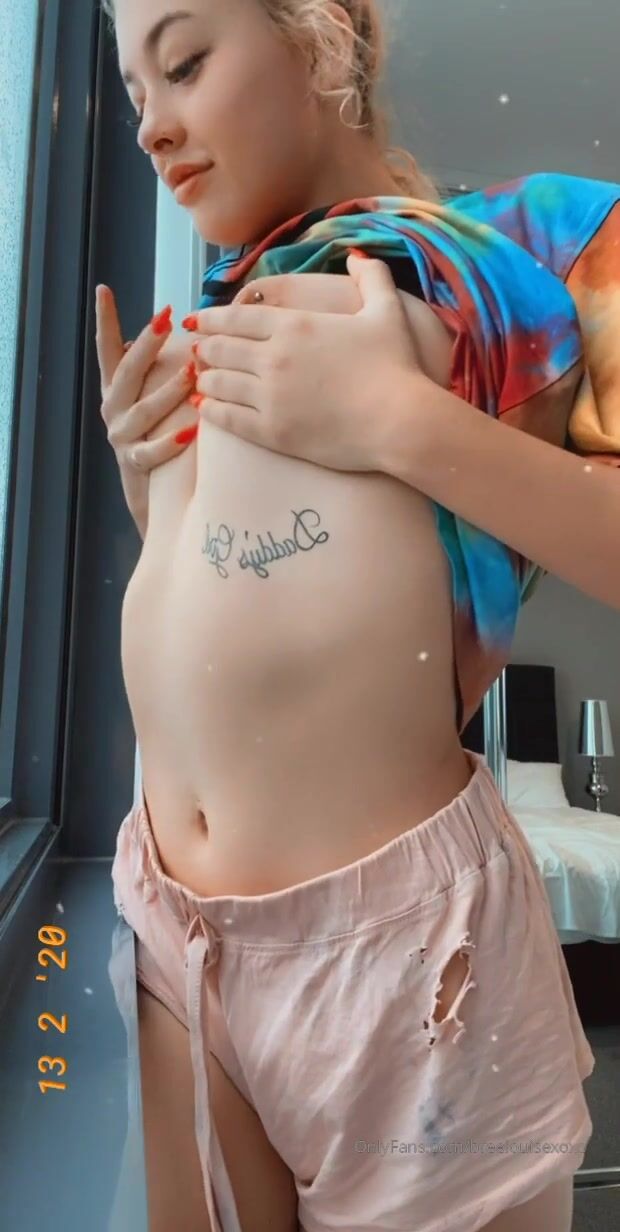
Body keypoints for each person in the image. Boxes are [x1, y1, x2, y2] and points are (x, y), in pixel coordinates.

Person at [95, 3, 606, 1230]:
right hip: (172, 920)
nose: (151, 128)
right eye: (132, 94)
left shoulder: (531, 243)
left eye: (184, 62)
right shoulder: (223, 306)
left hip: (405, 956)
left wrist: (398, 422)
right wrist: (146, 476)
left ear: (322, 35)